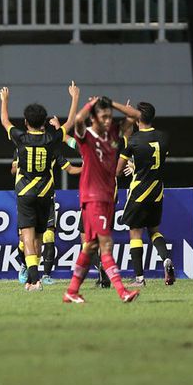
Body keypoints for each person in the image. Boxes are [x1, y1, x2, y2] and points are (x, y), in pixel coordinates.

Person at [0, 82, 79, 290]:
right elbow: (70, 123)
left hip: (25, 192)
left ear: (25, 122)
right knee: (40, 238)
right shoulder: (51, 139)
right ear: (44, 121)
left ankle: (34, 280)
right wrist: (74, 98)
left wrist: (5, 100)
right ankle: (37, 278)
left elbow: (5, 121)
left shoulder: (20, 138)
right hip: (45, 193)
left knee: (27, 238)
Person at [64, 95, 141, 303]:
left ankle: (71, 291)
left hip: (107, 196)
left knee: (89, 246)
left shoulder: (113, 134)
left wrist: (110, 104)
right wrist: (91, 104)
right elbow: (78, 121)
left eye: (109, 117)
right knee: (106, 243)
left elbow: (136, 115)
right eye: (103, 116)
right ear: (94, 118)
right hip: (93, 197)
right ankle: (122, 291)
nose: (107, 120)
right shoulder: (86, 135)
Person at [116, 102, 175, 287]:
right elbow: (154, 161)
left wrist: (132, 167)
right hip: (157, 191)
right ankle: (166, 258)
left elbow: (118, 171)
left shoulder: (134, 140)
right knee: (154, 230)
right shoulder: (164, 137)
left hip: (139, 191)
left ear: (137, 118)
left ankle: (140, 278)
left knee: (135, 233)